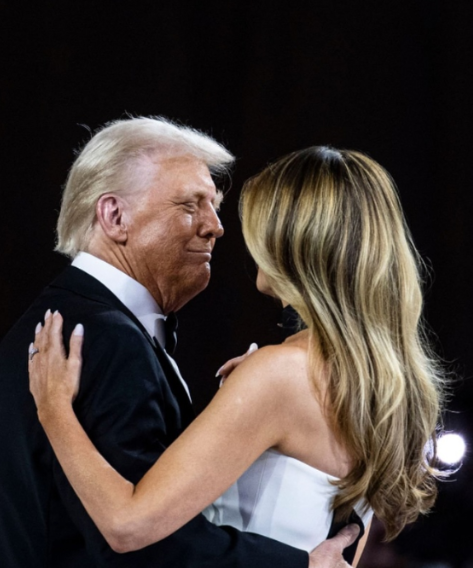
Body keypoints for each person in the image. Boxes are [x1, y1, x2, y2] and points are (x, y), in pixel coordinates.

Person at [28, 146, 444, 563]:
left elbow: (126, 525)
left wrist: (54, 411)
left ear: (291, 239)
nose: (230, 233)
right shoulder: (380, 383)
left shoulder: (279, 375)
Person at [0, 117, 361, 568]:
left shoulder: (73, 317)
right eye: (191, 205)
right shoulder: (98, 338)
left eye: (214, 206)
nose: (216, 226)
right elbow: (141, 543)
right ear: (115, 217)